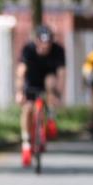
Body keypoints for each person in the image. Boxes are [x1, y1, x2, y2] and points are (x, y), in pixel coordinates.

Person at [16, 25, 66, 166]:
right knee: (27, 109)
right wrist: (19, 92)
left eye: (48, 44)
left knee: (50, 81)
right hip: (31, 82)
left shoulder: (58, 50)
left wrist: (59, 94)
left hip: (48, 82)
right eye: (42, 44)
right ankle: (26, 142)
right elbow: (21, 71)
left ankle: (50, 116)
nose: (45, 47)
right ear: (36, 41)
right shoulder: (28, 50)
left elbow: (61, 74)